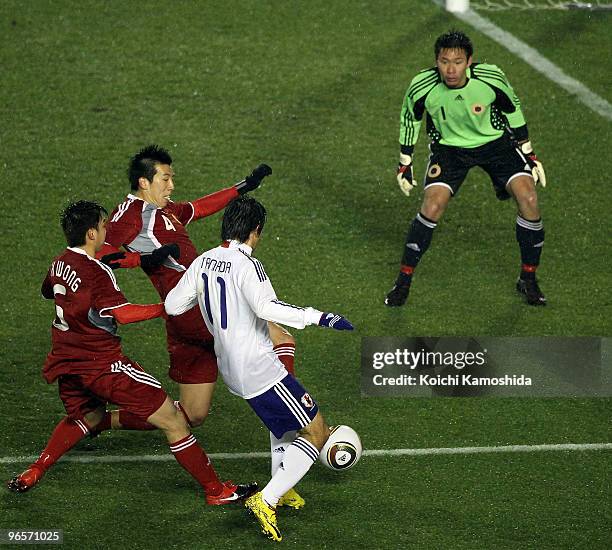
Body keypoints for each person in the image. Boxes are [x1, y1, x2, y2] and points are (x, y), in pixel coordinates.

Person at [7, 201, 256, 505]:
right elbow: (123, 314)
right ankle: (217, 491)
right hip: (104, 365)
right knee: (175, 420)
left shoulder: (59, 262)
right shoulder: (97, 272)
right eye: (102, 225)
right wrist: (165, 309)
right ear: (91, 233)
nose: (106, 230)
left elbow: (49, 291)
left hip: (67, 362)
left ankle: (37, 467)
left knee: (89, 414)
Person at [165, 196, 354, 542]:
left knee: (281, 423)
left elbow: (173, 304)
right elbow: (268, 306)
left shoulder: (204, 260)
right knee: (316, 430)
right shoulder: (247, 265)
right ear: (255, 231)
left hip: (231, 368)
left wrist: (210, 306)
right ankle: (266, 499)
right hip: (258, 368)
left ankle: (282, 488)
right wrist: (320, 317)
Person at [97, 145, 297, 442]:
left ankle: (97, 421)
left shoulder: (165, 210)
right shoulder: (131, 214)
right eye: (165, 179)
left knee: (192, 413)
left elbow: (199, 207)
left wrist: (244, 186)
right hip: (201, 307)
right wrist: (142, 260)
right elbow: (100, 252)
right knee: (281, 339)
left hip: (183, 318)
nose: (171, 185)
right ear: (143, 182)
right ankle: (295, 422)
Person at [386, 30, 547, 308]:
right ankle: (402, 283)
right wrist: (405, 162)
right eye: (444, 61)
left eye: (458, 61)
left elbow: (513, 109)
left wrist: (529, 152)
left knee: (529, 199)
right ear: (436, 61)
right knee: (432, 205)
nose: (450, 69)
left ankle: (528, 279)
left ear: (469, 61)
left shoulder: (490, 77)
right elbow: (409, 118)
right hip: (450, 150)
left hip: (496, 144)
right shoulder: (422, 85)